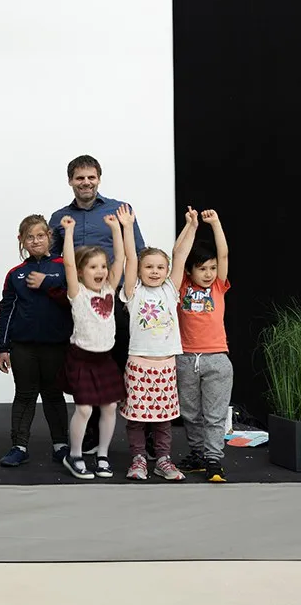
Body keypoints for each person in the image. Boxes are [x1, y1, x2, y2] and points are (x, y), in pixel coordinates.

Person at [50, 155, 146, 454]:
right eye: (80, 178)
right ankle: (90, 436)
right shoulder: (59, 218)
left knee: (118, 366)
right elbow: (57, 260)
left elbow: (136, 252)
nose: (86, 183)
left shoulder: (119, 210)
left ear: (99, 179)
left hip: (112, 300)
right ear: (70, 181)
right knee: (83, 368)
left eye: (91, 177)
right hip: (77, 303)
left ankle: (144, 439)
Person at [119, 206, 195, 481]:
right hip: (139, 363)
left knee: (163, 419)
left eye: (160, 267)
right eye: (148, 267)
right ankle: (138, 459)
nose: (154, 271)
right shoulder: (133, 291)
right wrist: (128, 227)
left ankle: (163, 459)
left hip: (165, 365)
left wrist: (191, 226)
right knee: (137, 418)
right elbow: (129, 256)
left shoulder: (170, 290)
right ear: (140, 270)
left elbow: (181, 254)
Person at [0, 214, 72, 467]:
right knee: (25, 395)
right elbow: (6, 311)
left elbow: (73, 293)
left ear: (49, 236)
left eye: (41, 235)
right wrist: (3, 348)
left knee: (53, 394)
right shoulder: (16, 274)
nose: (36, 240)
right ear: (22, 241)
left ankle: (61, 445)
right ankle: (19, 446)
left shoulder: (64, 267)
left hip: (56, 346)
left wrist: (47, 282)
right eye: (30, 237)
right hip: (23, 347)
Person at [58, 212, 127, 479]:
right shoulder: (78, 293)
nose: (99, 271)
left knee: (110, 407)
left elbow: (120, 259)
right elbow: (67, 265)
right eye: (92, 267)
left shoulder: (109, 289)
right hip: (81, 358)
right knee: (85, 408)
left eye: (102, 266)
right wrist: (69, 233)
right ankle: (74, 455)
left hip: (104, 359)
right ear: (81, 271)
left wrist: (116, 230)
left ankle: (102, 455)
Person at [175, 209, 232, 483]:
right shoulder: (180, 287)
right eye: (202, 268)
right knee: (190, 412)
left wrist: (216, 224)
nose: (209, 273)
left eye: (211, 268)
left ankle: (214, 460)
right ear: (190, 270)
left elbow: (223, 255)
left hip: (216, 359)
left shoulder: (219, 287)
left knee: (214, 414)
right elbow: (178, 255)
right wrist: (192, 226)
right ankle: (198, 454)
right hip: (185, 358)